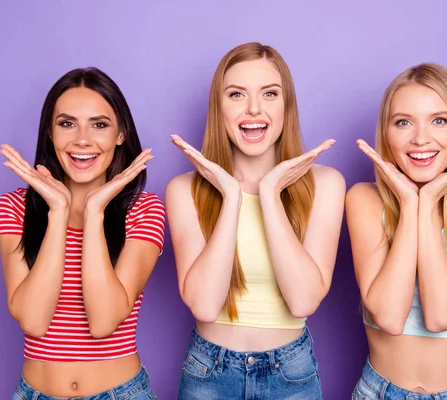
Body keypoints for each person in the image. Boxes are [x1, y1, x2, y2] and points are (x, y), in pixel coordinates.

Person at [166, 42, 346, 399]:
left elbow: (303, 302)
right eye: (236, 94)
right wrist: (231, 196)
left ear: (286, 106)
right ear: (219, 108)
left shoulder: (326, 184)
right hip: (209, 374)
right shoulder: (183, 190)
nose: (253, 109)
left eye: (269, 93)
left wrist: (269, 192)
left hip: (291, 375)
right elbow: (203, 305)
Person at [0, 67, 164, 399]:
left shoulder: (144, 210)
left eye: (99, 125)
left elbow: (103, 322)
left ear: (121, 134)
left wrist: (95, 211)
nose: (82, 139)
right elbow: (33, 320)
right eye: (67, 123)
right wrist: (57, 212)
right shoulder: (13, 207)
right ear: (50, 133)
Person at [346, 62, 447, 399]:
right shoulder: (364, 200)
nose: (420, 138)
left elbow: (440, 315)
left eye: (439, 120)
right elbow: (389, 318)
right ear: (386, 134)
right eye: (403, 122)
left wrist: (429, 197)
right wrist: (411, 204)